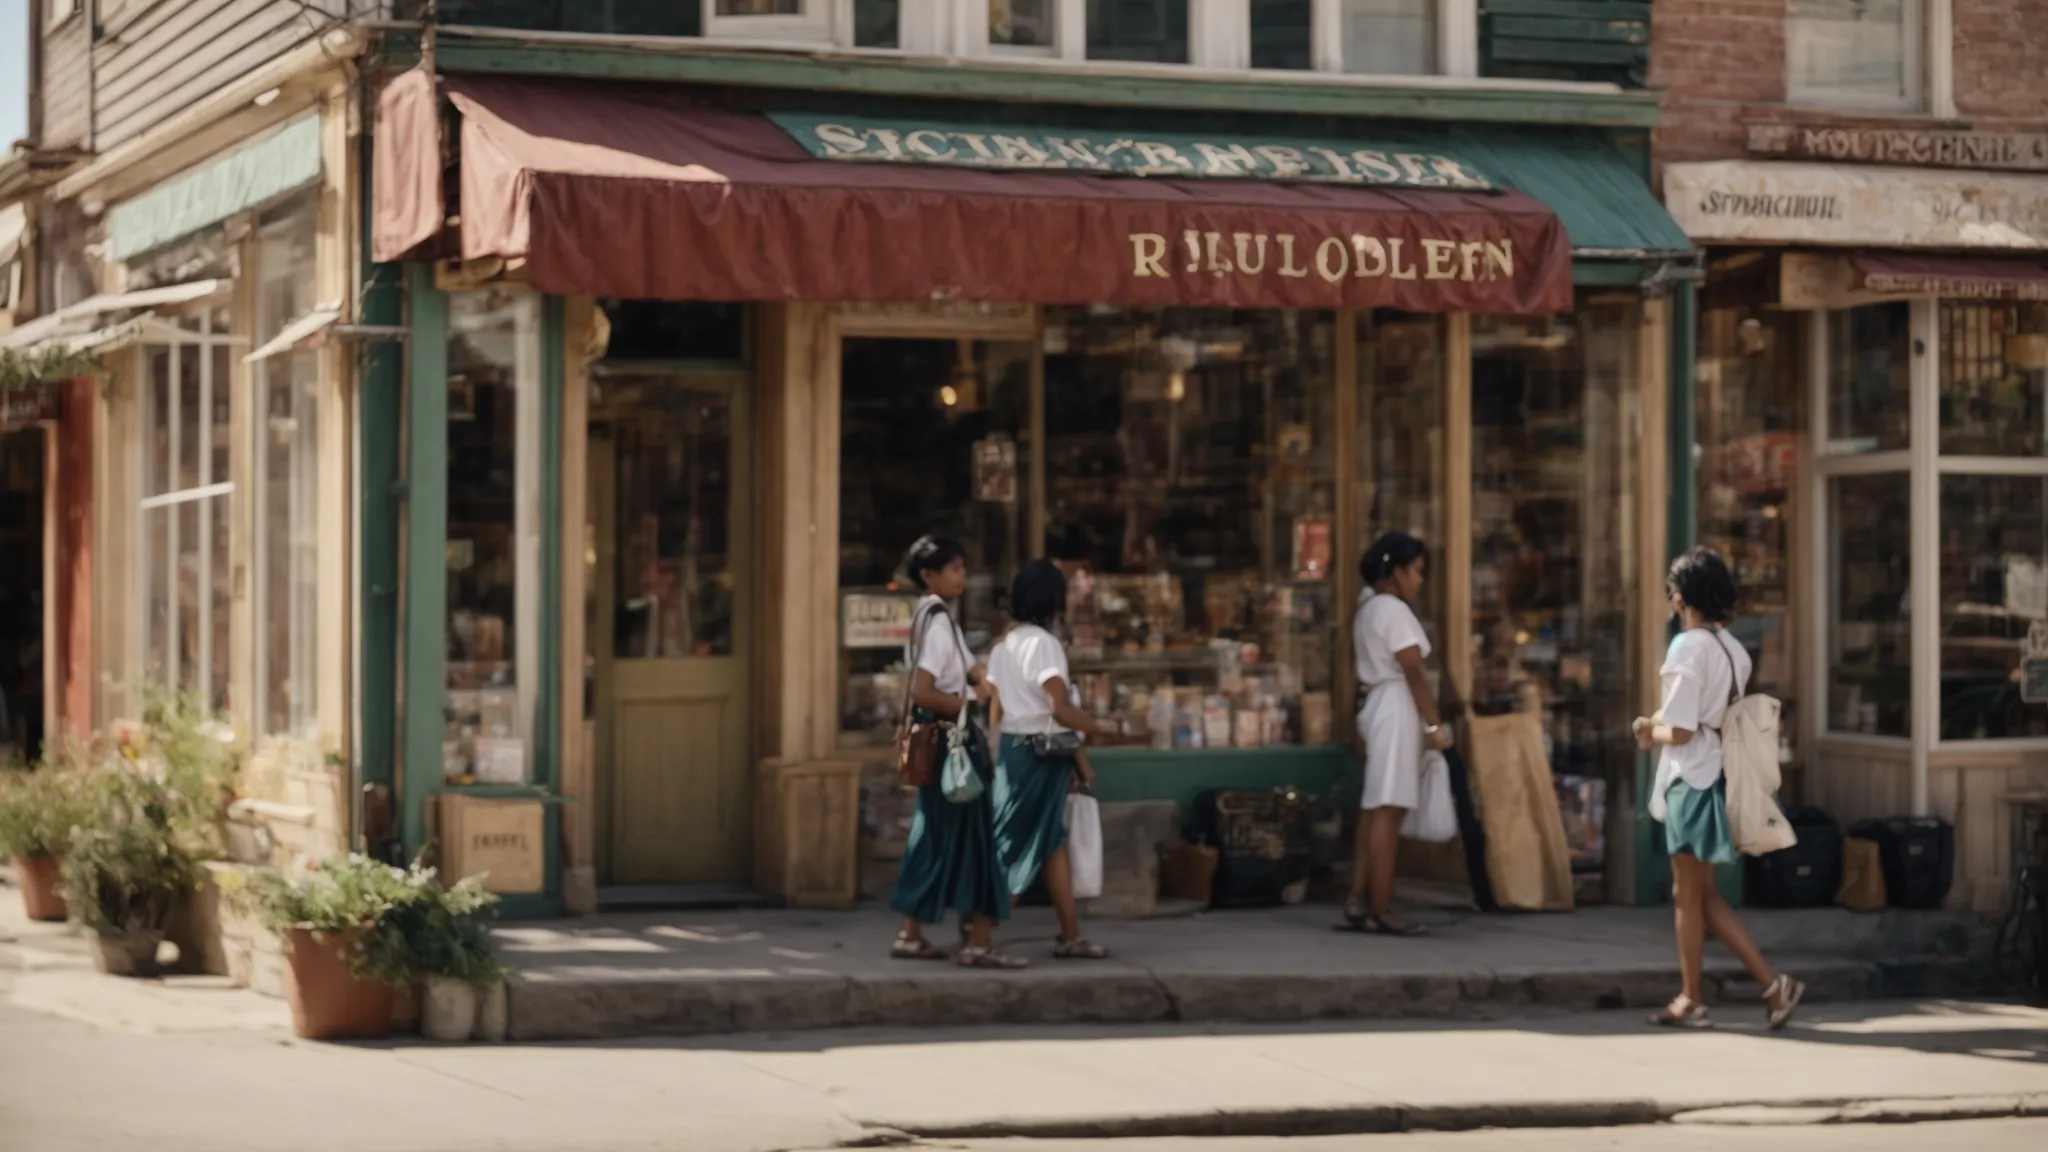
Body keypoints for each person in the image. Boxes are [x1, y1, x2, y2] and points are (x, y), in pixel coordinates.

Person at [1634, 546, 1804, 1029]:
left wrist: (1649, 733)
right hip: (1718, 773)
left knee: (1688, 896)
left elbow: (1682, 730)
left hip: (1690, 778)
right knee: (1700, 894)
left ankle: (1708, 996)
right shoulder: (1730, 647)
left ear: (1681, 596)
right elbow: (1701, 714)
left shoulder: (1687, 646)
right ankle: (1765, 989)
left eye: (1673, 590)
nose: (1670, 598)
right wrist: (1662, 720)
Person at [887, 535, 1023, 970]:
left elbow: (969, 668)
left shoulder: (932, 618)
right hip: (955, 747)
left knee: (933, 836)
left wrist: (980, 680)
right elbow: (928, 691)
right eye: (954, 569)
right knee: (979, 841)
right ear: (929, 575)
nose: (962, 577)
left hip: (943, 747)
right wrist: (974, 697)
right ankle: (978, 942)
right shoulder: (939, 622)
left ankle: (912, 933)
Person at [987, 559, 1131, 960]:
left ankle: (1070, 934)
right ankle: (980, 939)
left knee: (1050, 844)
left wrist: (997, 750)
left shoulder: (1005, 644)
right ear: (1053, 600)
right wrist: (1108, 729)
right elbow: (1060, 709)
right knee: (1018, 847)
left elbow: (995, 709)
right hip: (1038, 753)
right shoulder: (1044, 645)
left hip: (1017, 751)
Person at [1343, 532, 1446, 937]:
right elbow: (1413, 670)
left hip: (1377, 705)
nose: (1421, 580)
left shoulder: (1368, 607)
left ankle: (1358, 897)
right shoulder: (1392, 610)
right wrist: (1434, 724)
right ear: (1396, 570)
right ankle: (1381, 908)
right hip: (1395, 707)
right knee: (1389, 808)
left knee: (1374, 808)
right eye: (1417, 572)